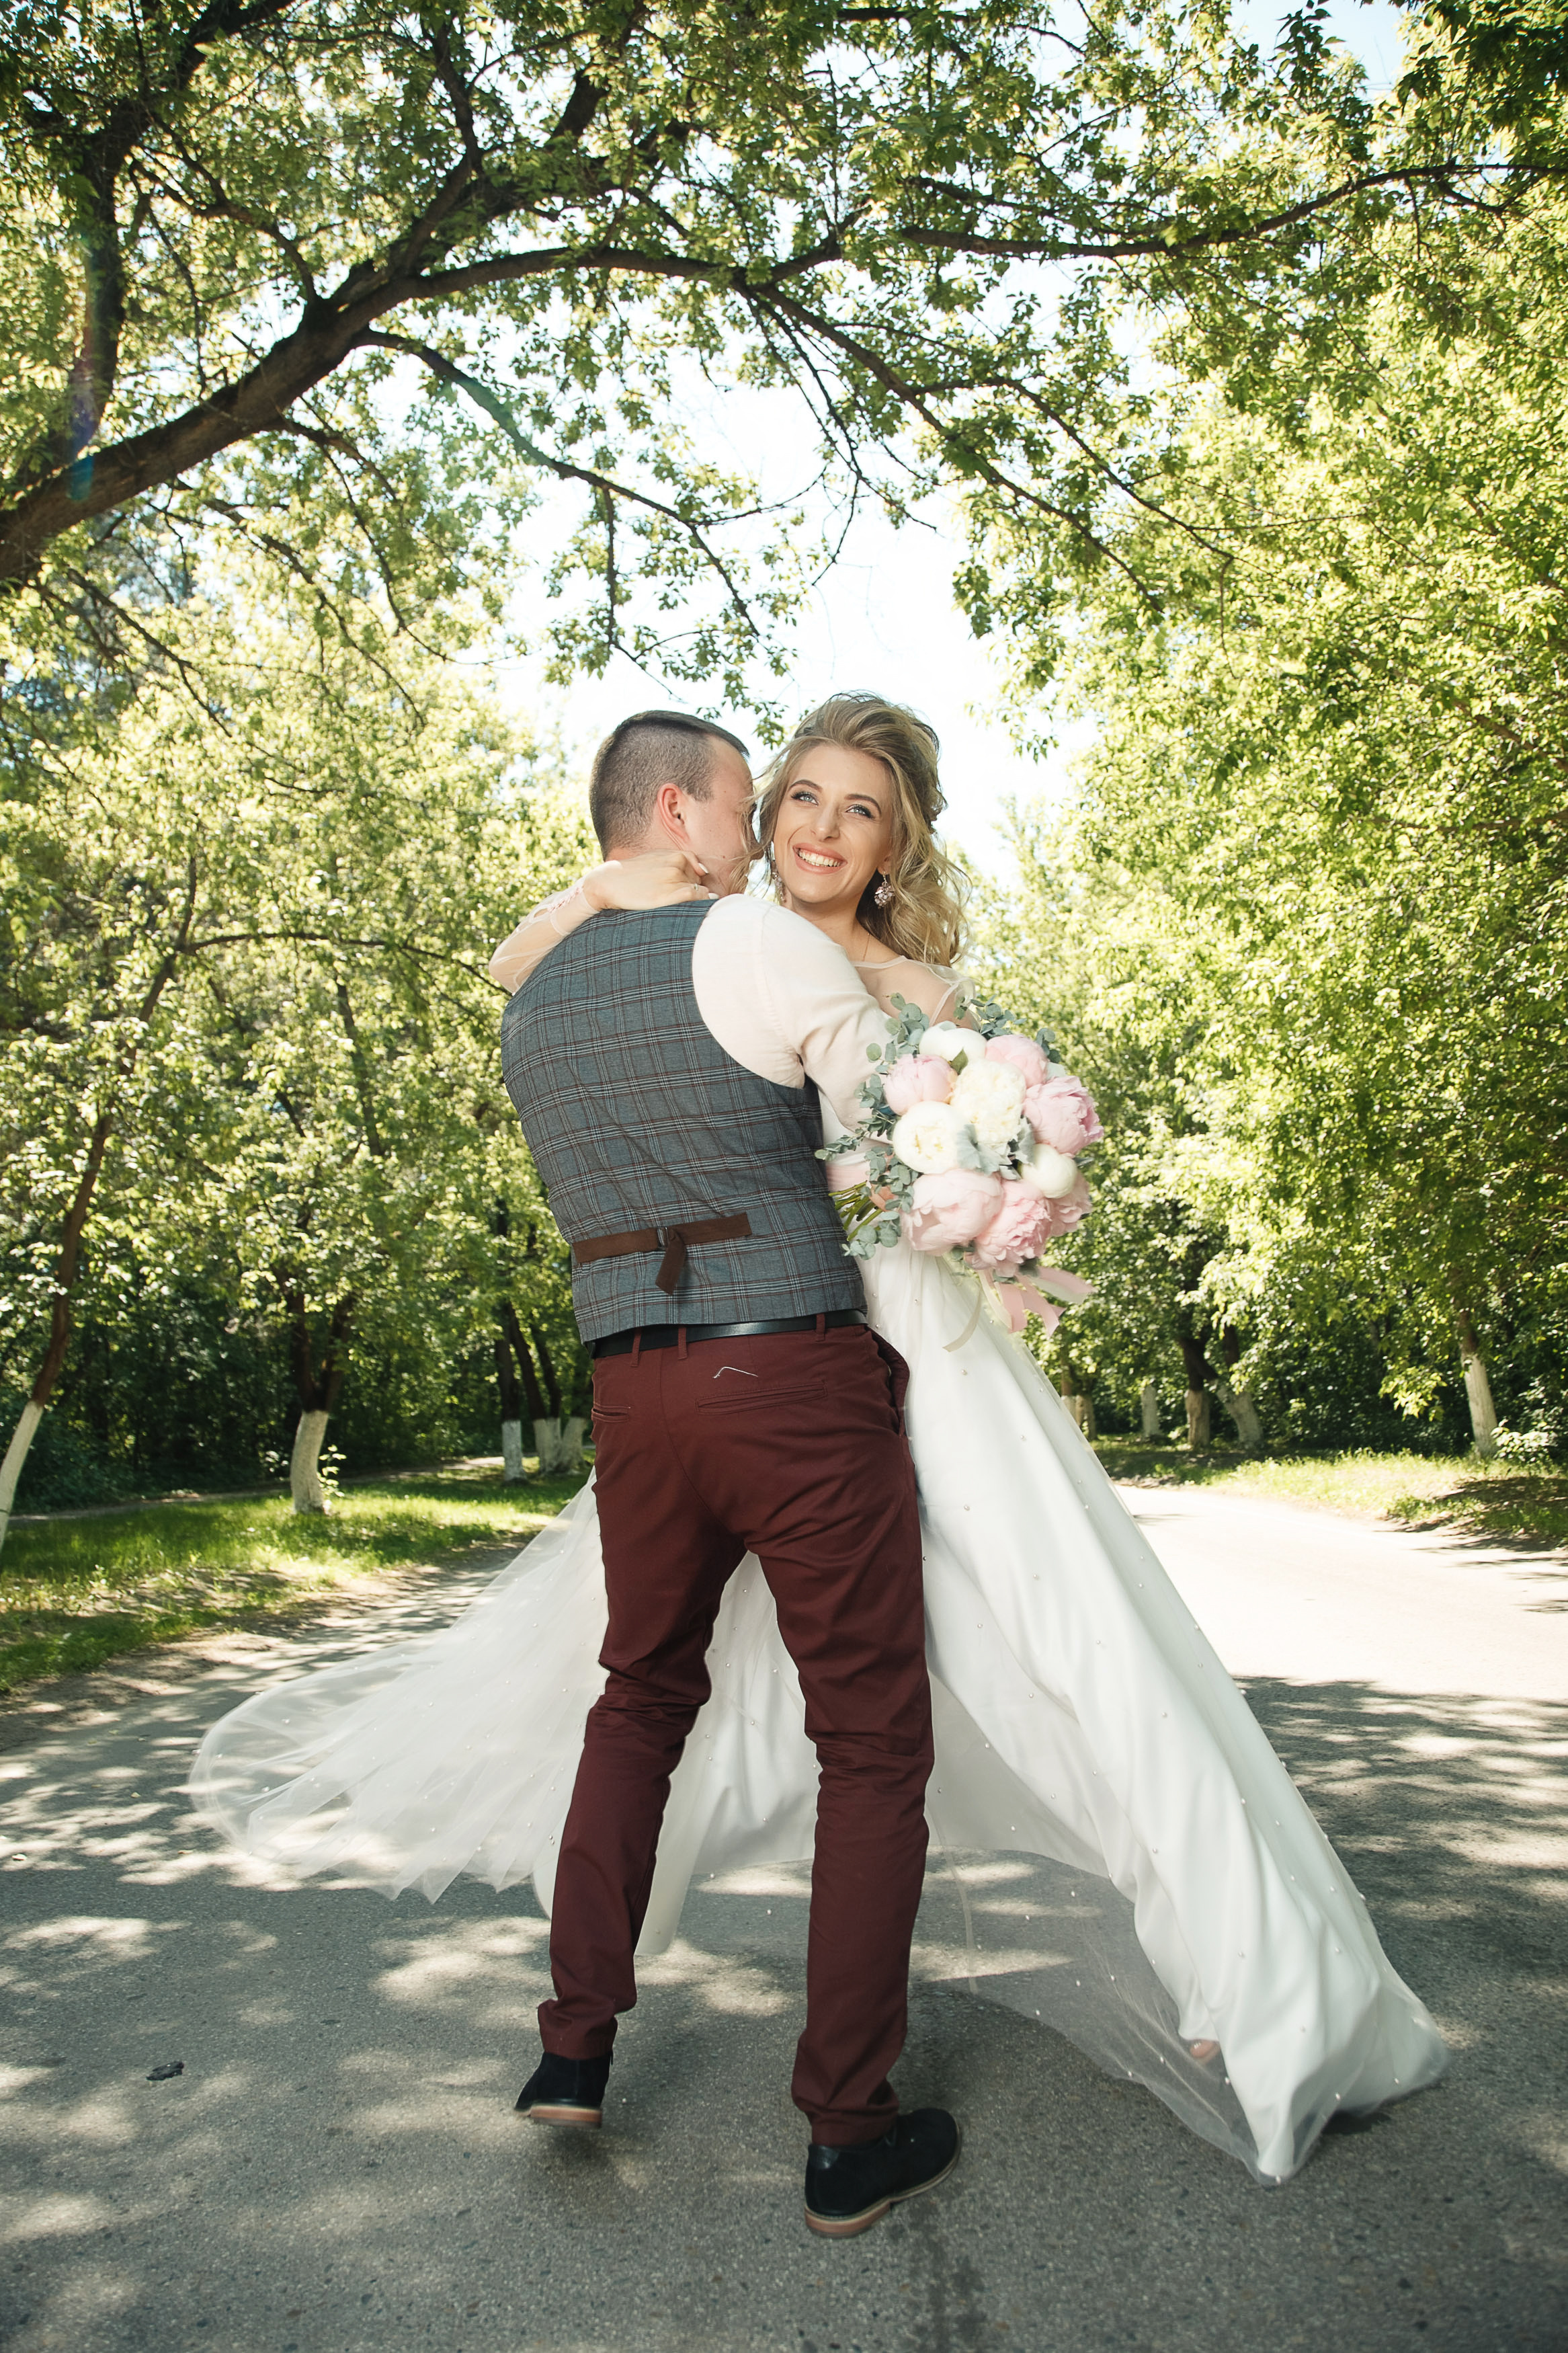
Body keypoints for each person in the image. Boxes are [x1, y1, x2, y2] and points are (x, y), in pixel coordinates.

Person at [190, 693, 1448, 2190]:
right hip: (797, 1364)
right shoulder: (731, 940)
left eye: (857, 810)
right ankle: (823, 2111)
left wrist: (992, 1203)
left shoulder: (830, 975)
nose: (811, 829)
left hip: (823, 1355)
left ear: (897, 841)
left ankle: (1225, 1975)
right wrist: (620, 881)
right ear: (719, 812)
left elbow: (931, 1148)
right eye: (792, 796)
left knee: (1047, 1664)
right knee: (807, 1719)